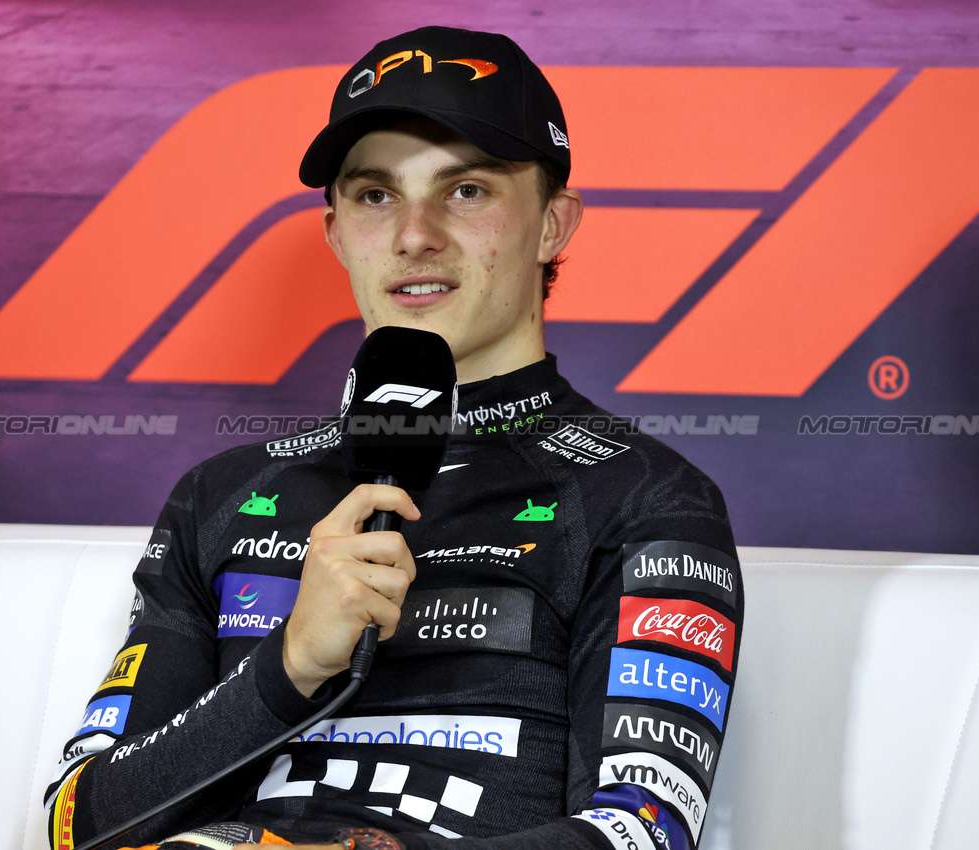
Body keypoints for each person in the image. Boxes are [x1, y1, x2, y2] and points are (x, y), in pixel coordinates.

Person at [45, 25, 742, 850]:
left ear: (552, 225)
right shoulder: (220, 495)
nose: (415, 235)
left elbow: (639, 832)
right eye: (375, 195)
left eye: (467, 190)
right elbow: (76, 826)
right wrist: (292, 662)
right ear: (336, 233)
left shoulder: (643, 496)